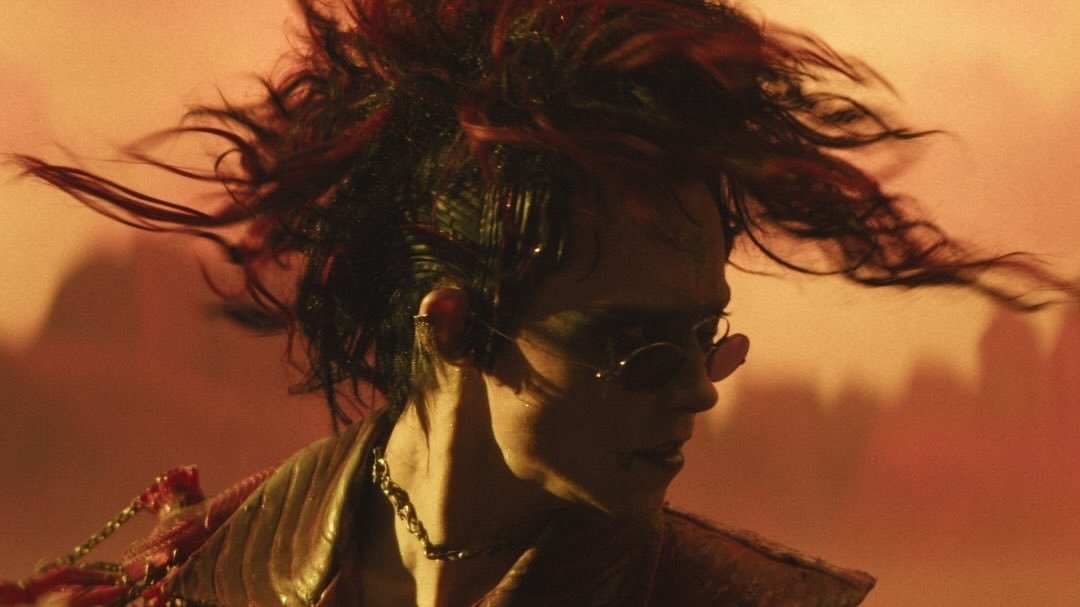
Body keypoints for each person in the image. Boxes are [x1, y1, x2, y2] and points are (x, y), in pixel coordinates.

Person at [2, 1, 1071, 605]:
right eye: (636, 344)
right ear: (457, 326)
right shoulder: (190, 578)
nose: (698, 391)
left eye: (705, 335)